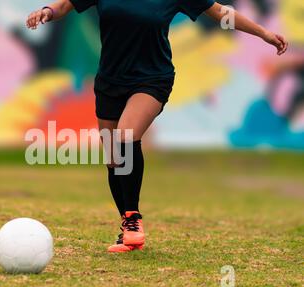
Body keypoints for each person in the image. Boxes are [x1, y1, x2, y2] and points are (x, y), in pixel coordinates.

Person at [26, 0, 288, 253]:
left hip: (152, 79)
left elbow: (221, 14)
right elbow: (64, 5)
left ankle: (132, 218)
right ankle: (128, 228)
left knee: (126, 136)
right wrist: (47, 11)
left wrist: (264, 33)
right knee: (115, 159)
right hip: (109, 81)